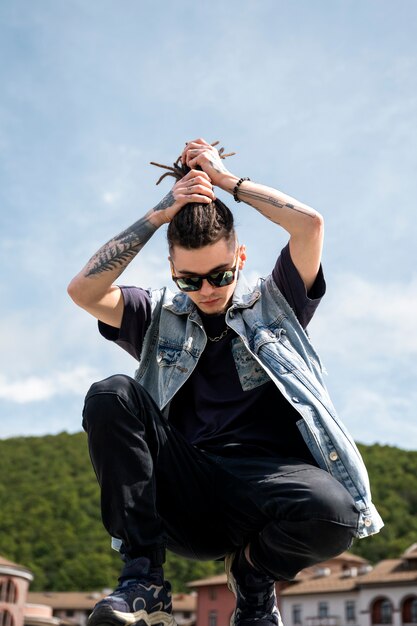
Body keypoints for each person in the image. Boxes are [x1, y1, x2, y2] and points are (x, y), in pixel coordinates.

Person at [68, 138, 383, 626]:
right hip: (185, 494)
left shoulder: (277, 304)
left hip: (268, 495)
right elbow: (83, 289)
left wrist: (224, 181)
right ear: (173, 271)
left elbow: (310, 225)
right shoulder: (156, 315)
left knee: (335, 512)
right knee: (111, 393)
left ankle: (254, 584)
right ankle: (144, 580)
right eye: (190, 280)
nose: (207, 291)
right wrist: (160, 212)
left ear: (240, 257)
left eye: (218, 274)